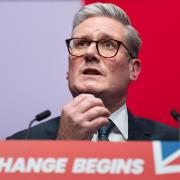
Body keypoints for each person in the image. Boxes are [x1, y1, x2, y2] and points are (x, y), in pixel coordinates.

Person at [7, 2, 178, 141]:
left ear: (133, 69)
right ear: (69, 68)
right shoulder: (23, 143)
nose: (89, 53)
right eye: (81, 43)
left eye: (108, 44)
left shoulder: (172, 143)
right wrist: (65, 146)